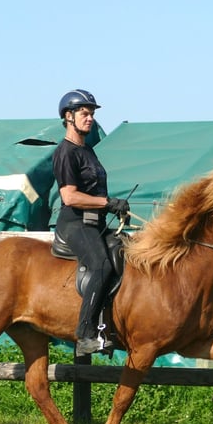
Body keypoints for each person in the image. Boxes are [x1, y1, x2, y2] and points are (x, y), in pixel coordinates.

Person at [52, 89, 130, 356]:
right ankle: (85, 335)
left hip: (95, 223)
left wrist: (115, 208)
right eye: (85, 114)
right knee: (99, 265)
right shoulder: (65, 153)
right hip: (74, 224)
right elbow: (70, 196)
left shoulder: (88, 151)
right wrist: (108, 203)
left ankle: (112, 325)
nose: (90, 119)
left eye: (92, 114)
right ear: (68, 116)